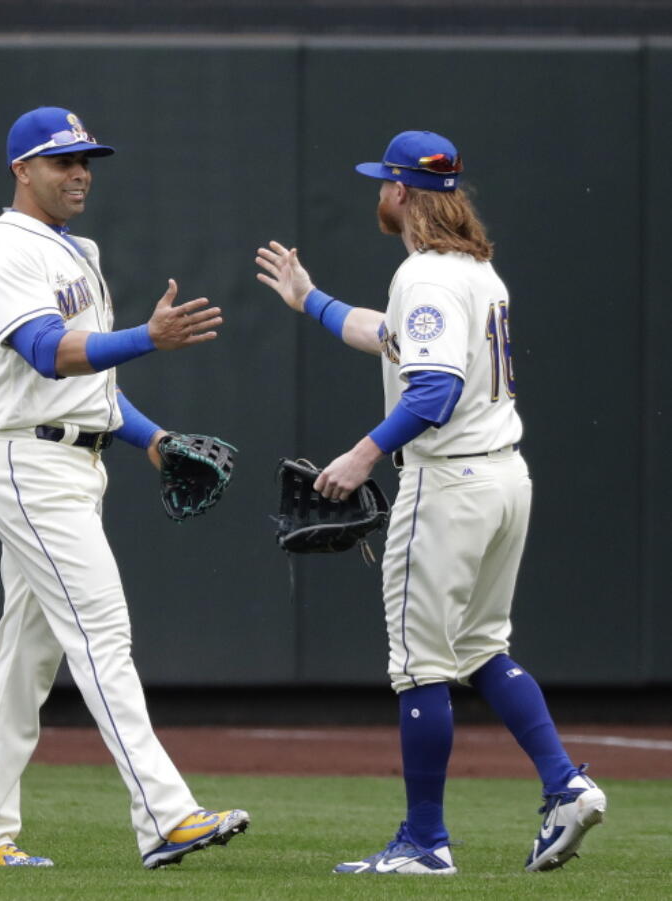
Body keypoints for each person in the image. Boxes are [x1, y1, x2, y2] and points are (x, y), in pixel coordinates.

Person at [254, 130, 606, 875]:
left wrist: (362, 452)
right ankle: (566, 784)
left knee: (419, 664)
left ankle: (423, 841)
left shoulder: (427, 277)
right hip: (505, 478)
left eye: (383, 181)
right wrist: (307, 298)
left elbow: (435, 389)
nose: (377, 192)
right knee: (481, 648)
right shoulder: (477, 273)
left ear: (403, 194)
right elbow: (389, 339)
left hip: (447, 484)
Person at [0, 106, 249, 870]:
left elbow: (93, 388)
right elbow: (48, 354)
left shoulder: (75, 249)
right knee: (103, 632)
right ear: (22, 169)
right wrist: (149, 336)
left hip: (73, 460)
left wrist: (153, 439)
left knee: (27, 657)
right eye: (61, 160)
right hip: (28, 463)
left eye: (87, 159)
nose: (80, 171)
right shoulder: (2, 251)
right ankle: (165, 814)